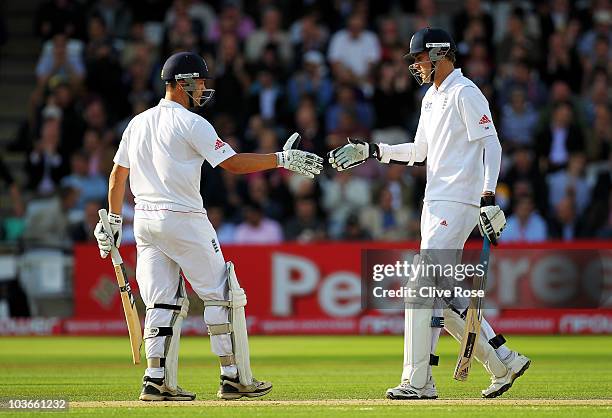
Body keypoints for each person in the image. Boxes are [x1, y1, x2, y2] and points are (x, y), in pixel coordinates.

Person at [93, 52, 322, 402]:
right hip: (184, 218)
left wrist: (112, 220)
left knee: (160, 302)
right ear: (183, 82)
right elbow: (231, 163)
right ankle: (233, 377)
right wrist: (281, 159)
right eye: (199, 81)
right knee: (222, 294)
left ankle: (155, 379)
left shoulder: (137, 123)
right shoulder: (191, 123)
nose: (203, 87)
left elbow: (116, 176)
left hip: (145, 221)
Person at [328, 28, 530, 400]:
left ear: (439, 55)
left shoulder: (464, 92)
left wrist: (488, 196)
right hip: (435, 202)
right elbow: (419, 151)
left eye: (419, 58)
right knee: (443, 294)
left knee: (420, 288)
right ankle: (504, 360)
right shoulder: (431, 97)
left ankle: (418, 381)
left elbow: (493, 144)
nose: (416, 66)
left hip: (458, 202)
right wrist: (376, 150)